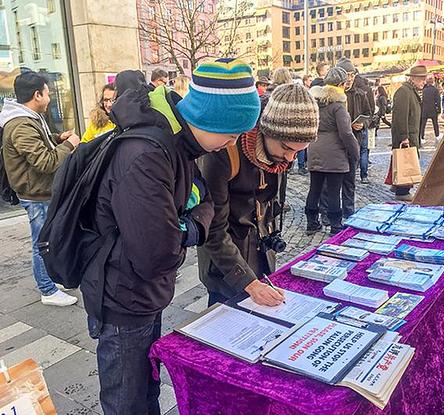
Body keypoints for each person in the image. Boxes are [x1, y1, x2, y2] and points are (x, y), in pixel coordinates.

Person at [83, 58, 259, 414]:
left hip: (142, 292)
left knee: (146, 390)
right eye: (232, 133)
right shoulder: (149, 154)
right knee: (127, 401)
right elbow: (158, 253)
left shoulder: (180, 144)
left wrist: (185, 223)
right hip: (123, 297)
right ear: (211, 118)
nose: (232, 143)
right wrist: (192, 227)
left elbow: (204, 200)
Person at [197, 82, 317, 307]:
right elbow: (213, 230)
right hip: (226, 267)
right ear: (266, 131)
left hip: (262, 254)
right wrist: (248, 282)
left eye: (299, 152)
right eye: (287, 149)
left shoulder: (278, 156)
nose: (290, 159)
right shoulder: (224, 151)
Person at [0, 70, 81, 306]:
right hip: (35, 194)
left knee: (49, 239)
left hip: (42, 191)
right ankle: (47, 290)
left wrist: (56, 139)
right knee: (41, 243)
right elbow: (45, 162)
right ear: (37, 94)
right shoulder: (21, 125)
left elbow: (38, 147)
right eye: (47, 93)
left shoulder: (29, 118)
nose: (50, 98)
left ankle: (50, 279)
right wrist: (69, 144)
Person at [307, 67, 358, 234]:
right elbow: (346, 133)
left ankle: (312, 222)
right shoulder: (338, 106)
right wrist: (354, 151)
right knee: (334, 190)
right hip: (334, 153)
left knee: (314, 188)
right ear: (341, 84)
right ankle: (336, 224)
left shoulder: (316, 102)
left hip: (315, 148)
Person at [389, 65, 427, 201]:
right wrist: (404, 137)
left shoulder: (411, 91)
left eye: (425, 79)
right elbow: (401, 116)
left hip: (411, 134)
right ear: (413, 79)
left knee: (405, 160)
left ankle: (398, 185)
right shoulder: (404, 92)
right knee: (407, 162)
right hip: (407, 136)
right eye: (421, 79)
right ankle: (402, 190)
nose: (424, 81)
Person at [340, 60, 373, 202]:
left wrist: (363, 123)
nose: (350, 78)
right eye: (347, 74)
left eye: (352, 74)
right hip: (337, 144)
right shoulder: (332, 95)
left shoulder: (360, 94)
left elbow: (369, 114)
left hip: (355, 141)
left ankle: (348, 210)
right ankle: (329, 213)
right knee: (331, 184)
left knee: (350, 181)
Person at [420, 79, 441, 148]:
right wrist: (439, 110)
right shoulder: (435, 90)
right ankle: (437, 135)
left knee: (423, 124)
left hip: (424, 110)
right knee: (435, 123)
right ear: (433, 82)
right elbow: (438, 100)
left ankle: (422, 137)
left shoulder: (424, 90)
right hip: (433, 109)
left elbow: (421, 100)